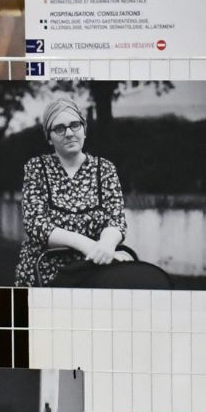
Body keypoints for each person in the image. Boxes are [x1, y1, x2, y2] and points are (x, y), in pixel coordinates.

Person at [13, 96, 128, 287]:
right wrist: (90, 245)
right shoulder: (36, 168)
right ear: (49, 138)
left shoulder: (105, 169)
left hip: (97, 267)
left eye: (75, 125)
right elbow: (36, 224)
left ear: (84, 130)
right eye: (59, 128)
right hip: (46, 270)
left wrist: (107, 243)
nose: (68, 133)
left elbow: (116, 219)